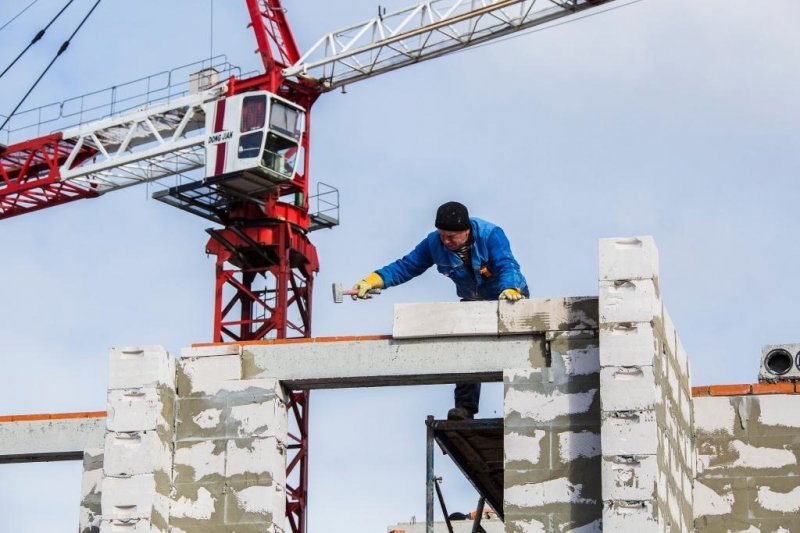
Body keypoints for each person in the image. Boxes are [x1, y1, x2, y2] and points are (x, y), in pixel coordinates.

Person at [352, 201, 529, 420]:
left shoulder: (490, 235)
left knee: (519, 349)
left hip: (508, 295)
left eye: (451, 237)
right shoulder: (433, 243)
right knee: (467, 348)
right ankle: (465, 408)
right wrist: (373, 280)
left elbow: (506, 264)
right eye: (442, 235)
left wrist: (510, 288)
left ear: (466, 231)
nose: (446, 241)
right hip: (473, 301)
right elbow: (406, 266)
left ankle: (526, 405)